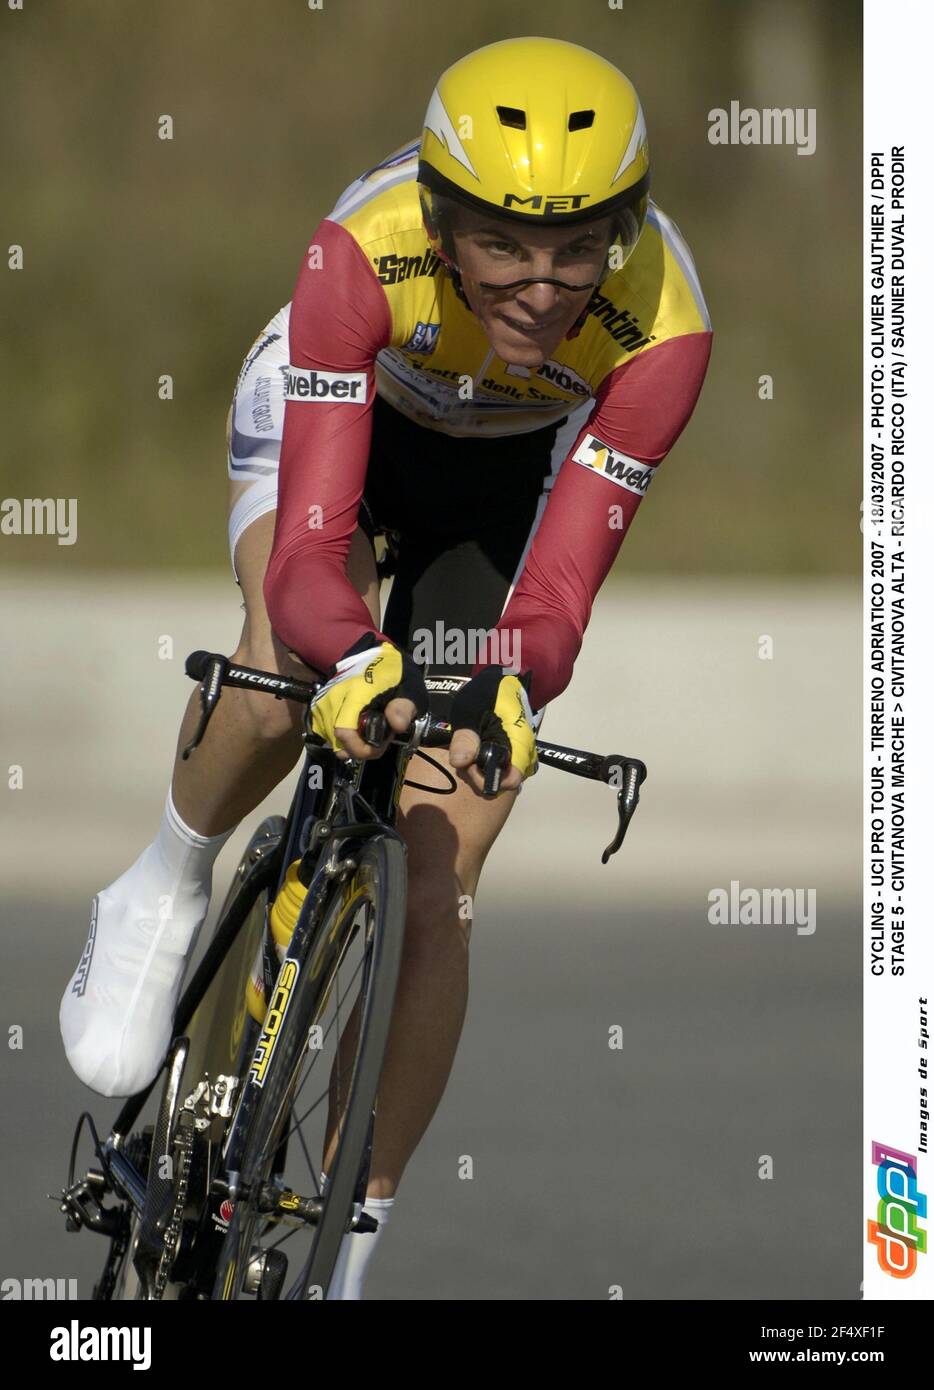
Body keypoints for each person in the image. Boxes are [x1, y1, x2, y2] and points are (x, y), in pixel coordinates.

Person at [60, 35, 712, 1298]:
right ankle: (166, 879)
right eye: (505, 246)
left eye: (578, 247)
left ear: (621, 235)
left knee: (444, 860)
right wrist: (353, 656)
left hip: (502, 480)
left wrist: (510, 685)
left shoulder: (664, 325)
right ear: (440, 217)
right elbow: (309, 558)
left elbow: (558, 597)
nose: (541, 285)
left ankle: (349, 1253)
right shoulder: (361, 248)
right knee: (277, 669)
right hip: (346, 428)